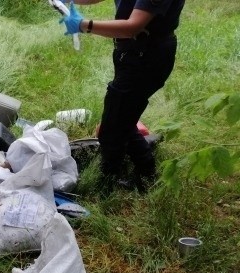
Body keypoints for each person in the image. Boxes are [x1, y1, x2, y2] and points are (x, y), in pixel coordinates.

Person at [61, 0, 186, 192]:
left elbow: (132, 27)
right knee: (122, 118)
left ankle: (109, 183)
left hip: (147, 57)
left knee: (111, 129)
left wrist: (84, 25)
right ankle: (147, 172)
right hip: (131, 53)